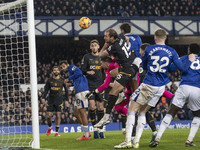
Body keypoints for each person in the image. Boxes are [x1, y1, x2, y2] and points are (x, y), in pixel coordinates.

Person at [114, 28, 195, 149]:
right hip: (161, 87)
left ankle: (128, 141)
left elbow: (145, 65)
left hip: (149, 84)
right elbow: (179, 69)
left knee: (132, 108)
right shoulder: (172, 51)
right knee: (142, 111)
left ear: (155, 38)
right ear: (165, 38)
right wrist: (190, 61)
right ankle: (136, 142)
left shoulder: (149, 49)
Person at [149, 43, 200, 147]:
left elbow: (171, 68)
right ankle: (189, 140)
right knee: (198, 115)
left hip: (183, 87)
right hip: (197, 88)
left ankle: (158, 138)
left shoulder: (184, 58)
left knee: (171, 112)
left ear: (189, 50)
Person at [94, 28, 138, 129]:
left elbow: (100, 56)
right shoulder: (121, 37)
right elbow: (126, 39)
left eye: (106, 36)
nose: (104, 37)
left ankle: (107, 116)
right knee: (112, 73)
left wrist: (105, 46)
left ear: (112, 38)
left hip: (127, 69)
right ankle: (122, 94)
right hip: (133, 64)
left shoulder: (114, 47)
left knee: (112, 92)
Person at [60, 60, 90, 140]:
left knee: (83, 113)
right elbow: (77, 78)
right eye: (61, 67)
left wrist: (68, 79)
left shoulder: (70, 67)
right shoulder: (70, 72)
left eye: (63, 66)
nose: (63, 68)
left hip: (81, 91)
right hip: (78, 91)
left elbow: (79, 73)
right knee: (76, 113)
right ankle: (86, 132)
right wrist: (71, 84)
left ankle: (86, 135)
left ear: (67, 65)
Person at [81, 39, 104, 139]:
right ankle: (94, 128)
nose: (94, 47)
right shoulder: (87, 57)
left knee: (100, 107)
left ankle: (100, 129)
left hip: (100, 85)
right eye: (92, 45)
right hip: (90, 85)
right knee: (92, 106)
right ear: (90, 47)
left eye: (95, 45)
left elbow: (105, 69)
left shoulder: (102, 57)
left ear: (98, 46)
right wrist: (87, 72)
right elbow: (82, 69)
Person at [42, 66, 68, 137]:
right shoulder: (49, 80)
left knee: (58, 115)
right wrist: (43, 97)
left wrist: (66, 100)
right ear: (53, 71)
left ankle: (56, 132)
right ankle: (50, 127)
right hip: (50, 100)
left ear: (59, 71)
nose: (56, 71)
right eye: (54, 70)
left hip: (59, 100)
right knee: (48, 116)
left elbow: (66, 90)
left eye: (57, 70)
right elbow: (46, 90)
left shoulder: (62, 80)